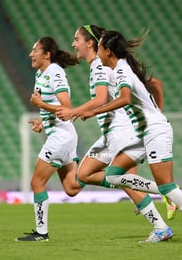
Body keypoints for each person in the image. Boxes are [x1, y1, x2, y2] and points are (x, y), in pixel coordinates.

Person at [80, 30, 182, 245]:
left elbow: (125, 98)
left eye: (99, 48)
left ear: (108, 51)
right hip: (143, 133)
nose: (97, 52)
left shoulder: (121, 71)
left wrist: (93, 111)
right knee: (114, 175)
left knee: (167, 185)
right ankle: (163, 192)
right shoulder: (121, 67)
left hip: (155, 132)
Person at [56, 25, 173, 243]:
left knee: (102, 177)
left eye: (76, 39)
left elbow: (101, 98)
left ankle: (164, 204)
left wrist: (75, 111)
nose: (73, 44)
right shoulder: (104, 65)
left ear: (90, 43)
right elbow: (154, 84)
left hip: (120, 132)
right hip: (113, 133)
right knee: (94, 176)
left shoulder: (100, 66)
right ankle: (165, 199)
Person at [16, 36, 83, 242]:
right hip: (61, 133)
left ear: (46, 55)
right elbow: (54, 107)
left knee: (37, 182)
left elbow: (67, 107)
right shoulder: (41, 73)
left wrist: (41, 105)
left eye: (35, 50)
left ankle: (42, 233)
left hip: (61, 136)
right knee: (72, 188)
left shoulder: (55, 71)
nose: (30, 54)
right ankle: (112, 175)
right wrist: (43, 122)